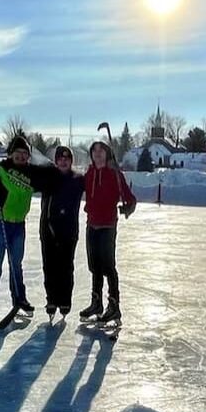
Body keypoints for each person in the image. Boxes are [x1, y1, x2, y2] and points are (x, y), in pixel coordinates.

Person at [0, 135, 60, 321]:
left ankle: (19, 299)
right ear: (11, 154)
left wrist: (55, 167)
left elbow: (50, 174)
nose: (21, 157)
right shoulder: (1, 169)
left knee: (16, 265)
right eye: (18, 153)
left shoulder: (31, 172)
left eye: (25, 154)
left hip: (18, 225)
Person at [79, 135, 137, 325]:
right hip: (91, 224)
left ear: (107, 153)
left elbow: (130, 199)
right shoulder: (89, 174)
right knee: (94, 266)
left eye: (101, 150)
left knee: (108, 266)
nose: (97, 154)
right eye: (94, 151)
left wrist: (127, 207)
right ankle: (96, 303)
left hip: (107, 226)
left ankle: (114, 306)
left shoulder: (115, 174)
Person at [38, 144, 85, 319]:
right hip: (48, 230)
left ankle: (65, 300)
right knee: (50, 268)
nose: (63, 161)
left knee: (66, 267)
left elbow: (97, 186)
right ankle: (51, 300)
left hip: (69, 231)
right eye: (60, 158)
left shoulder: (78, 179)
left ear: (71, 161)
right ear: (56, 161)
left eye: (67, 158)